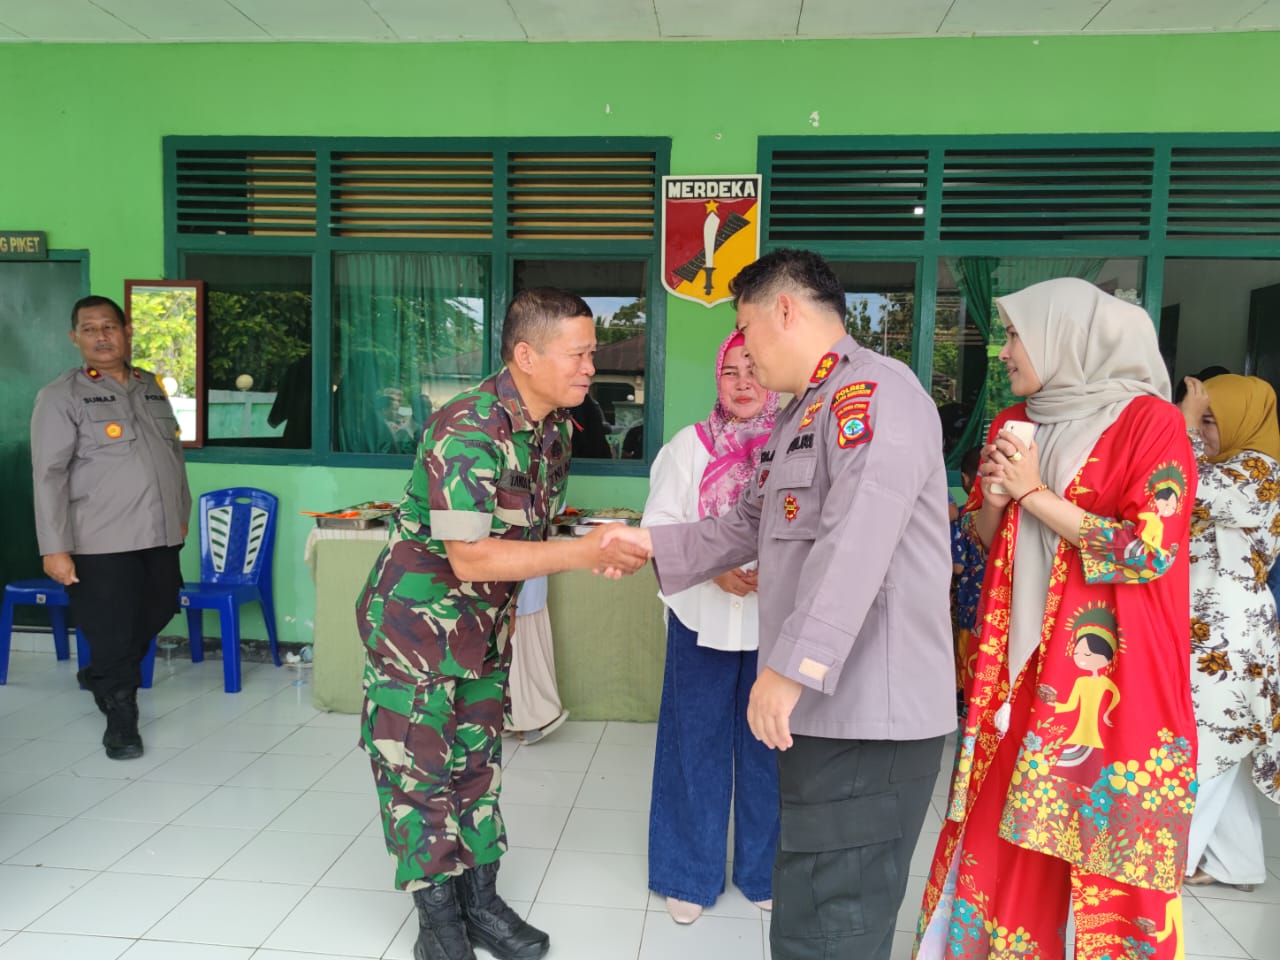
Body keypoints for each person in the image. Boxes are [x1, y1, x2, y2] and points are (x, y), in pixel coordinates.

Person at [602, 249, 956, 960]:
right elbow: (744, 525)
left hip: (870, 716)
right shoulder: (803, 414)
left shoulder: (875, 397)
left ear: (784, 311)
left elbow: (856, 542)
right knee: (808, 908)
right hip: (830, 710)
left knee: (837, 919)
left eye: (748, 331)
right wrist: (645, 542)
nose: (747, 356)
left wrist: (789, 668)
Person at [355, 287, 649, 960]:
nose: (589, 366)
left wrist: (593, 541)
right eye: (578, 353)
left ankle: (480, 904)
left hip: (483, 630)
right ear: (526, 354)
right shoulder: (468, 427)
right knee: (418, 775)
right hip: (417, 636)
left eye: (591, 352)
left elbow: (526, 536)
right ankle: (440, 928)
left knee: (476, 767)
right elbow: (470, 554)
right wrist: (585, 552)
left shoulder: (552, 430)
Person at [914, 278, 1198, 960]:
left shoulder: (1150, 423)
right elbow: (987, 533)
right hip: (1017, 669)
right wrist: (998, 490)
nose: (1004, 350)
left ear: (1067, 337)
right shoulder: (1020, 418)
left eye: (1015, 335)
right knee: (1005, 829)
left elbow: (1147, 551)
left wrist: (1035, 492)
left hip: (1112, 675)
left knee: (1102, 839)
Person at [641, 329, 780, 925]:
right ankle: (687, 874)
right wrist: (713, 570)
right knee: (691, 746)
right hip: (701, 618)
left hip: (776, 625)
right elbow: (661, 530)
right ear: (717, 381)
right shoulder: (687, 448)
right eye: (731, 371)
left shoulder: (797, 445)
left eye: (755, 368)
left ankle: (763, 870)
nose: (744, 382)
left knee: (769, 749)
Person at [30, 295, 190, 760]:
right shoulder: (61, 396)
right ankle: (121, 718)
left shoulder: (151, 385)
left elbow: (172, 458)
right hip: (99, 539)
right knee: (114, 628)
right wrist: (54, 547)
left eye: (109, 327)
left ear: (127, 332)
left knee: (160, 606)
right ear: (74, 338)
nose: (101, 336)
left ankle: (103, 669)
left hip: (160, 533)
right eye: (89, 328)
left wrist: (180, 512)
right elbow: (48, 474)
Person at [1177, 373, 1280, 892]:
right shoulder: (1227, 466)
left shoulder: (1261, 473)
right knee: (1225, 749)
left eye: (1213, 422)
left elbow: (1185, 483)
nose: (1206, 432)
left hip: (1230, 638)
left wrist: (1185, 425)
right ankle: (1238, 864)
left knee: (1201, 751)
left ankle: (1166, 868)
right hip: (1208, 629)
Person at [504, 575, 569, 744]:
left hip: (525, 579)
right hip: (514, 581)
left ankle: (514, 717)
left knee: (523, 647)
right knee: (517, 648)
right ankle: (527, 719)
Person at [951, 446, 986, 704]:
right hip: (996, 608)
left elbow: (958, 567)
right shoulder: (1011, 517)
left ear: (964, 479)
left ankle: (963, 697)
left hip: (969, 607)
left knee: (967, 654)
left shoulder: (965, 518)